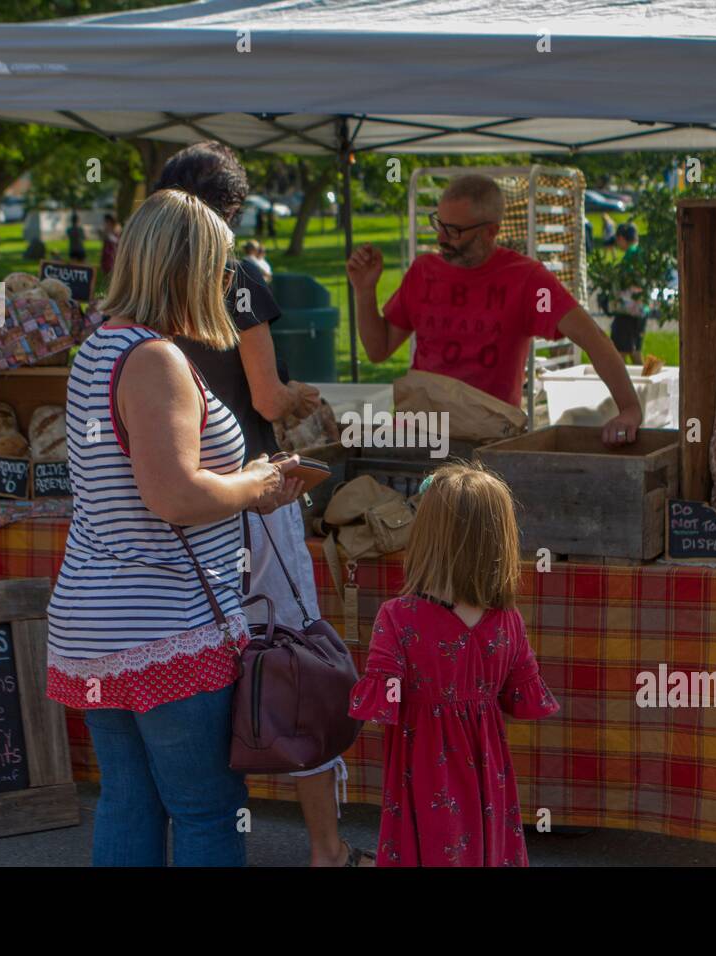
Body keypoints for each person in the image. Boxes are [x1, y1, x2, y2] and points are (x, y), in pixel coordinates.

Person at [45, 189, 304, 867]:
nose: (230, 285)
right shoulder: (155, 359)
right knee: (207, 811)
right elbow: (174, 497)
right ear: (188, 269)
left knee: (129, 800)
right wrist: (258, 484)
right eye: (223, 269)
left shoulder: (100, 348)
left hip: (99, 622)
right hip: (164, 622)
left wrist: (249, 484)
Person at [154, 142, 374, 867]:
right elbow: (266, 396)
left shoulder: (140, 282)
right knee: (292, 652)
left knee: (200, 664)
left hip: (169, 501)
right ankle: (324, 846)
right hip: (251, 490)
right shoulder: (236, 277)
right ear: (230, 212)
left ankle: (197, 826)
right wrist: (307, 398)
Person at [348, 462, 559, 866]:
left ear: (425, 536)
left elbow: (379, 705)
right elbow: (521, 698)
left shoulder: (397, 617)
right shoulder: (508, 622)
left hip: (421, 772)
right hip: (487, 772)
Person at [347, 173, 642, 447]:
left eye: (455, 231)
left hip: (484, 445)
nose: (441, 239)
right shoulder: (424, 271)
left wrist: (629, 408)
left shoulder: (528, 281)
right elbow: (378, 349)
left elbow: (594, 339)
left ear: (491, 231)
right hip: (416, 437)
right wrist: (364, 291)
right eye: (440, 224)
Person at [608, 222, 646, 366]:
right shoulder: (641, 252)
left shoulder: (631, 255)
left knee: (619, 351)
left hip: (628, 310)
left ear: (622, 238)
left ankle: (623, 384)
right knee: (634, 350)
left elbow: (623, 281)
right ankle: (642, 384)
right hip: (641, 309)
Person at [99, 213, 120, 277]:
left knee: (111, 270)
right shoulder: (106, 229)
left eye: (106, 221)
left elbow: (117, 241)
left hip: (112, 253)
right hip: (106, 253)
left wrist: (109, 236)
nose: (105, 223)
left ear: (110, 221)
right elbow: (104, 241)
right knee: (106, 270)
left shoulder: (116, 228)